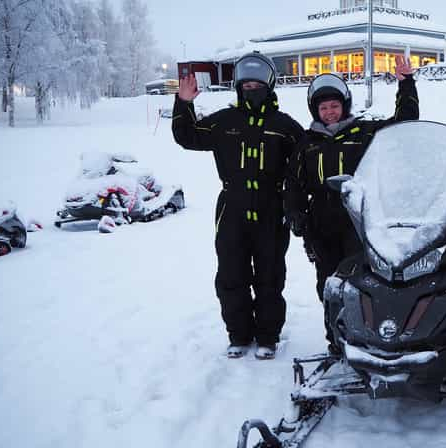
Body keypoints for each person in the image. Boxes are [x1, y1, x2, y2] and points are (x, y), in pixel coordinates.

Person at [172, 52, 305, 360]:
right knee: (232, 274)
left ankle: (268, 336)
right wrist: (184, 103)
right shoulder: (225, 121)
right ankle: (239, 334)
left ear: (270, 85)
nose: (252, 89)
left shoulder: (284, 125)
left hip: (271, 208)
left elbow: (304, 163)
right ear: (237, 87)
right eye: (246, 84)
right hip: (232, 207)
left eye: (258, 83)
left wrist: (298, 204)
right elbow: (187, 135)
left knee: (270, 275)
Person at [285, 55, 419, 352]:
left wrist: (406, 84)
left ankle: (374, 336)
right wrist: (295, 213)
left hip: (361, 221)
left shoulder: (364, 132)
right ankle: (337, 340)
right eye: (323, 107)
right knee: (330, 285)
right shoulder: (307, 143)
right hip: (321, 224)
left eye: (334, 106)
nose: (330, 112)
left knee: (367, 282)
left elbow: (405, 124)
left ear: (344, 105)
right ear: (315, 110)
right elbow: (293, 183)